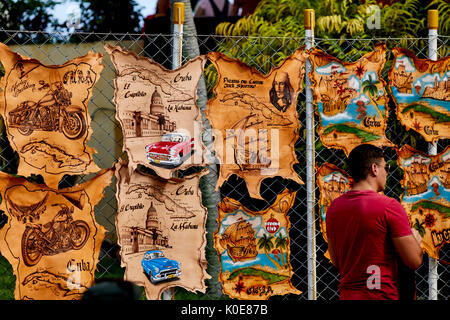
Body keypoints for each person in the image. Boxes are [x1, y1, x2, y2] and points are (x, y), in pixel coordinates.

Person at [325, 144, 423, 300]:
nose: (386, 173)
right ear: (374, 169)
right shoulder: (389, 207)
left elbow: (336, 261)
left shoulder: (333, 209)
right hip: (381, 295)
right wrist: (415, 241)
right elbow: (414, 261)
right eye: (386, 168)